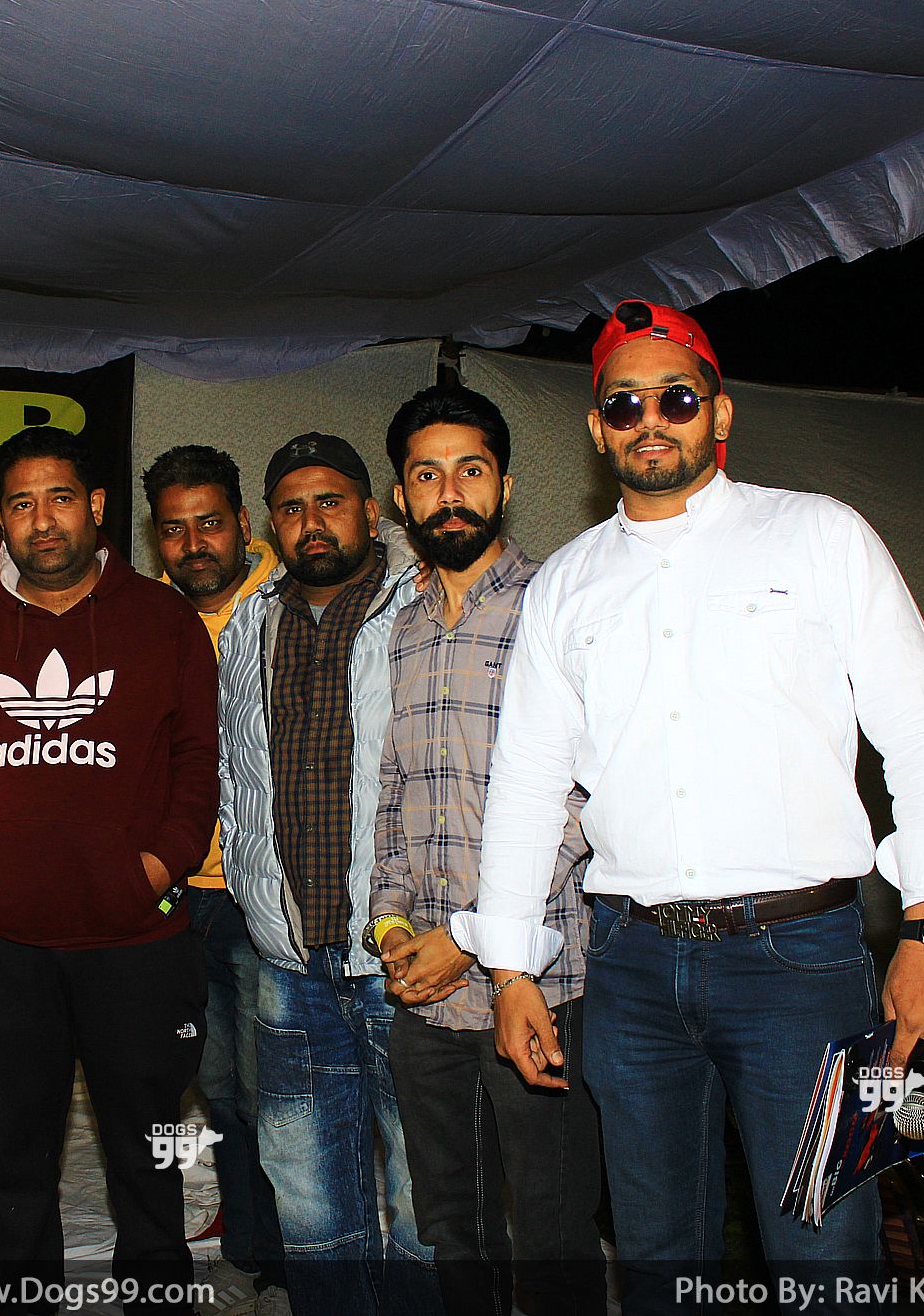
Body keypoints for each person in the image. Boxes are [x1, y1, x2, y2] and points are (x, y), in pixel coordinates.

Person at [455, 301, 924, 1312]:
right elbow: (527, 782)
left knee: (827, 1255)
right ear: (596, 429)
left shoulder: (819, 535)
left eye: (675, 398)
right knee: (658, 1261)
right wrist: (508, 969)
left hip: (802, 969)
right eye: (624, 404)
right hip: (630, 970)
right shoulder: (565, 585)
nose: (649, 420)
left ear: (719, 413)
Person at [0, 425, 218, 1314]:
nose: (42, 520)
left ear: (95, 506)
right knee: (13, 1160)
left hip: (137, 941)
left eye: (59, 498)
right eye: (21, 503)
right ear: (0, 520)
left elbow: (198, 763)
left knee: (149, 1154)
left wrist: (153, 866)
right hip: (0, 943)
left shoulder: (164, 619)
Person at [367, 387, 605, 1316]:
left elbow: (586, 802)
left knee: (552, 1232)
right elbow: (396, 791)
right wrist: (391, 925)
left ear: (504, 485)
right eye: (427, 476)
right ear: (402, 498)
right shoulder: (404, 626)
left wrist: (474, 936)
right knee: (451, 1228)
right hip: (425, 990)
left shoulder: (561, 605)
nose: (450, 492)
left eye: (470, 470)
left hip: (539, 981)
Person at [216, 433, 439, 1316]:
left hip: (401, 957)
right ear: (271, 524)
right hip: (287, 962)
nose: (312, 521)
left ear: (371, 512)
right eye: (292, 507)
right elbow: (238, 774)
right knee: (307, 1191)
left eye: (331, 501)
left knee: (424, 1191)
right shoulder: (251, 623)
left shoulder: (423, 605)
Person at [142, 445, 287, 1316]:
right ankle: (248, 1247)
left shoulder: (290, 602)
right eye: (174, 529)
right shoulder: (152, 623)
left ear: (243, 522)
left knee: (280, 1094)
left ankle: (293, 1261)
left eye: (210, 523)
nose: (194, 543)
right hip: (179, 900)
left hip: (266, 899)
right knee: (220, 1089)